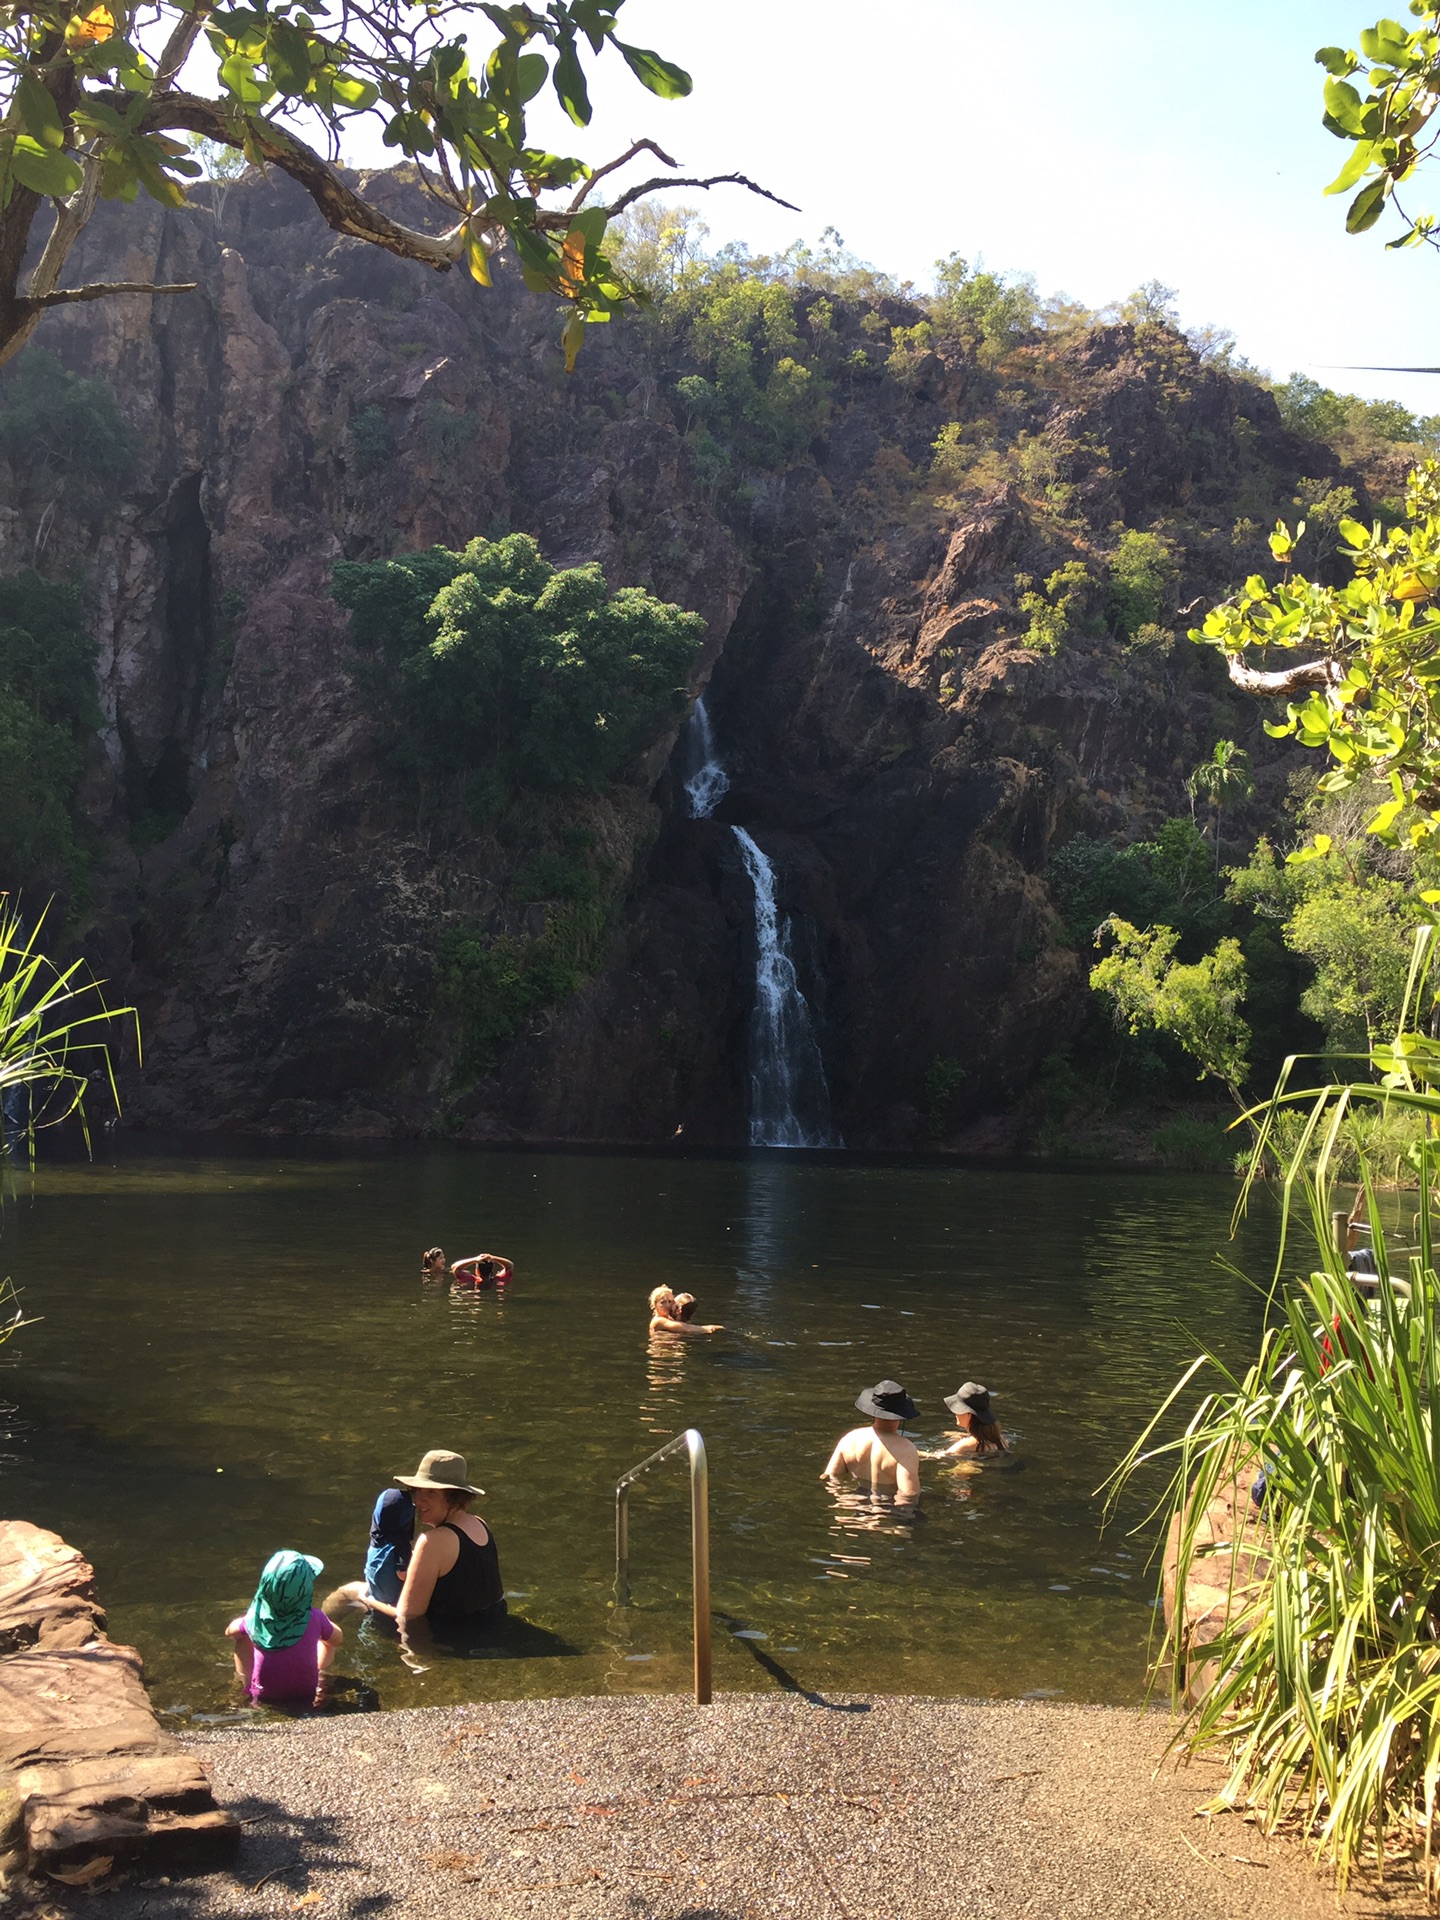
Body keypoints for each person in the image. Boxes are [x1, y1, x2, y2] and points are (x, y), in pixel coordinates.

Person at [363, 1449, 505, 1633]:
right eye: (417, 1491)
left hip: (455, 1637)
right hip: (495, 1624)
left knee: (349, 1593)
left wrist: (366, 1599)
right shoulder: (479, 1523)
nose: (419, 1500)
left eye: (431, 1492)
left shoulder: (432, 1542)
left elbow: (407, 1616)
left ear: (453, 1496)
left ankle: (320, 1635)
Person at [226, 1549, 341, 1705]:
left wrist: (244, 1630)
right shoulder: (315, 1617)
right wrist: (325, 1625)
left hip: (265, 1695)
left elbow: (230, 1632)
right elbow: (338, 1639)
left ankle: (246, 1686)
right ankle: (320, 1678)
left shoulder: (255, 1619)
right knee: (326, 1638)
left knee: (242, 1638)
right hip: (306, 1691)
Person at [822, 1381, 922, 1500]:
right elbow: (909, 1494)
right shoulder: (905, 1450)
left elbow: (829, 1476)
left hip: (854, 1506)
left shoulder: (849, 1439)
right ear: (902, 1413)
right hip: (884, 1511)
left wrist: (846, 1502)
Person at [941, 1381, 1008, 1458]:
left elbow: (939, 1457)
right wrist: (961, 1436)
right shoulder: (1000, 1439)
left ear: (968, 1414)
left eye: (957, 1409)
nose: (955, 1414)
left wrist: (923, 1454)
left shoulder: (964, 1446)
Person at [648, 1284, 723, 1336]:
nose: (667, 1305)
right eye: (663, 1302)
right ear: (655, 1304)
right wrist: (710, 1328)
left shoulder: (667, 1318)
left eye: (670, 1301)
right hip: (661, 1354)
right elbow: (687, 1329)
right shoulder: (658, 1321)